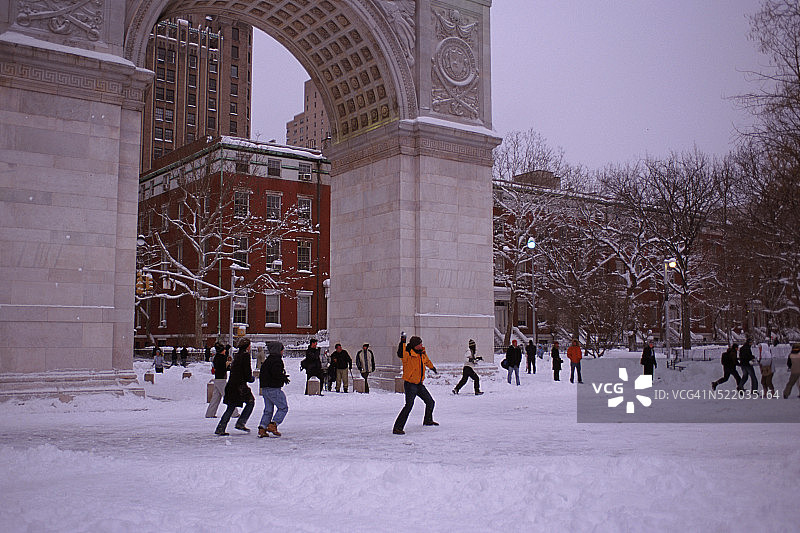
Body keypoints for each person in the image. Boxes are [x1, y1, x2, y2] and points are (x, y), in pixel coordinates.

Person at [393, 334, 438, 434]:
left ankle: (428, 420)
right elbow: (401, 353)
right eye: (419, 344)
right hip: (410, 384)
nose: (421, 345)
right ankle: (397, 428)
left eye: (421, 343)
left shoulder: (422, 353)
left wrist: (432, 368)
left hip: (419, 384)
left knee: (430, 402)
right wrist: (402, 341)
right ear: (414, 345)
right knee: (409, 405)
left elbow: (427, 361)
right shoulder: (408, 354)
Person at [215, 338, 255, 436]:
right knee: (250, 402)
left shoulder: (237, 355)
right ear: (247, 346)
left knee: (231, 406)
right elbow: (247, 372)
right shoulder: (245, 356)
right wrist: (251, 378)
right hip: (240, 386)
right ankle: (241, 423)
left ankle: (221, 427)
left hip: (232, 385)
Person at [258, 341, 290, 437]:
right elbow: (276, 373)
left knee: (268, 409)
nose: (283, 351)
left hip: (265, 388)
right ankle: (273, 424)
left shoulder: (268, 360)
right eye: (282, 349)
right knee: (283, 407)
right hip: (274, 388)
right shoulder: (277, 361)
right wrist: (283, 378)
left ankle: (262, 428)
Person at [206, 343, 229, 418]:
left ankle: (210, 413)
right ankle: (233, 412)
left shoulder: (217, 357)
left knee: (215, 398)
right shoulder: (221, 358)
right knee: (228, 396)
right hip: (221, 379)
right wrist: (228, 366)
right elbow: (223, 368)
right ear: (221, 351)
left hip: (218, 378)